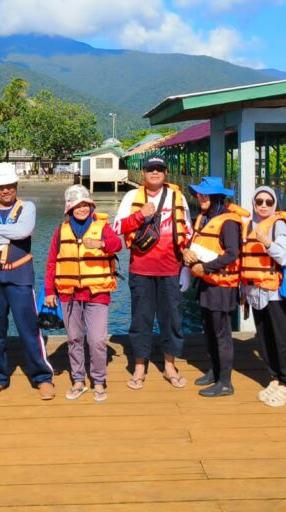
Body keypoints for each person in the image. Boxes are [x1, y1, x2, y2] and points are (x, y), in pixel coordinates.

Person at [0, 162, 55, 400]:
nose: (5, 190)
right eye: (0, 187)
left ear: (16, 186)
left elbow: (23, 232)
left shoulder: (27, 207)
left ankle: (42, 377)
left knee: (29, 328)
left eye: (9, 185)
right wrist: (5, 230)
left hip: (19, 277)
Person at [112, 156, 192, 390]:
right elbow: (117, 228)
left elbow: (187, 231)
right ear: (144, 173)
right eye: (150, 169)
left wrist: (186, 269)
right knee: (141, 319)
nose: (155, 173)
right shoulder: (131, 197)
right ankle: (139, 366)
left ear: (165, 172)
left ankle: (169, 366)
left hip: (171, 268)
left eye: (159, 169)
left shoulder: (178, 197)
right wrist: (140, 215)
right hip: (141, 269)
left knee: (172, 319)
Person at [44, 184, 124, 402]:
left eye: (85, 205)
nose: (82, 209)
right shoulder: (61, 231)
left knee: (97, 340)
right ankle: (78, 380)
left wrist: (101, 243)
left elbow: (118, 244)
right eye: (77, 205)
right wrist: (49, 291)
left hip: (97, 293)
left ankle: (99, 380)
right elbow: (52, 262)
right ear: (69, 208)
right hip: (68, 295)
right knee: (74, 338)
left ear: (91, 205)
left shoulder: (102, 227)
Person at [182, 176, 246, 397]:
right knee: (208, 329)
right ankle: (214, 370)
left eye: (205, 194)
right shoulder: (203, 217)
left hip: (222, 285)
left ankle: (226, 382)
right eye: (199, 194)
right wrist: (187, 253)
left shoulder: (228, 221)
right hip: (207, 283)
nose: (200, 197)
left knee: (221, 333)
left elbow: (232, 253)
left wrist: (207, 267)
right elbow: (196, 242)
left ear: (217, 196)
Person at [240, 185, 286, 408]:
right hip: (254, 291)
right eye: (259, 201)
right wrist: (243, 291)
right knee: (263, 339)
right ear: (253, 203)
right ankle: (274, 377)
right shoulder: (247, 227)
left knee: (281, 339)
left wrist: (267, 243)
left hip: (274, 293)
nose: (263, 205)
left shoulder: (278, 224)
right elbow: (245, 262)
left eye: (268, 202)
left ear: (275, 204)